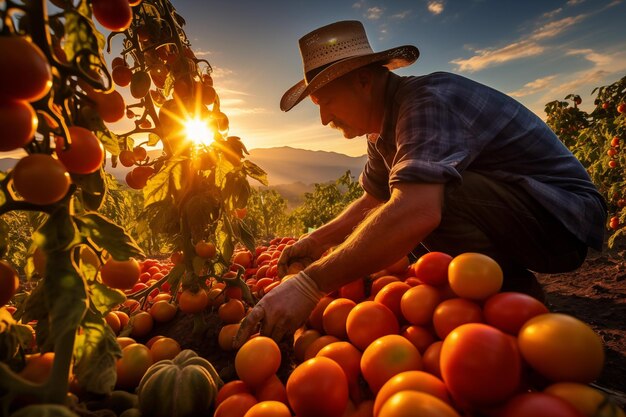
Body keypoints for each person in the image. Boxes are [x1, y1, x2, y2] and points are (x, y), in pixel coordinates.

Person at [233, 20, 606, 347]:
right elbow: (373, 200)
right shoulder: (381, 129)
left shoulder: (426, 101)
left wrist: (310, 285)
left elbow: (417, 209)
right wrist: (316, 240)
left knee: (432, 199)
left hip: (563, 221)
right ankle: (491, 311)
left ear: (364, 80)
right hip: (524, 214)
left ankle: (522, 317)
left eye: (326, 101)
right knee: (403, 218)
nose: (324, 117)